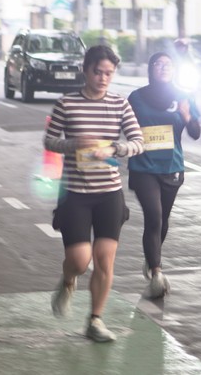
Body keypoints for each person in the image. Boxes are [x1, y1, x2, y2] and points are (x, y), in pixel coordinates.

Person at [44, 45, 144, 343]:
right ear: (85, 71)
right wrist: (74, 143)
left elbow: (138, 142)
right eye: (98, 72)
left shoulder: (120, 104)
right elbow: (50, 141)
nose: (103, 78)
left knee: (104, 259)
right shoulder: (66, 104)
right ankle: (68, 279)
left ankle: (95, 320)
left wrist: (114, 149)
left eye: (109, 73)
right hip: (75, 193)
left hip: (109, 194)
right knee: (79, 260)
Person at [127, 52, 201, 299]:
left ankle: (152, 258)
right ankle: (157, 273)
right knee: (154, 216)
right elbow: (123, 125)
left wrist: (187, 115)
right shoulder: (136, 97)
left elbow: (196, 133)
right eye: (158, 64)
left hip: (171, 166)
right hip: (143, 167)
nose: (163, 67)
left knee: (163, 220)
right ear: (151, 69)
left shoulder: (183, 96)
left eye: (168, 64)